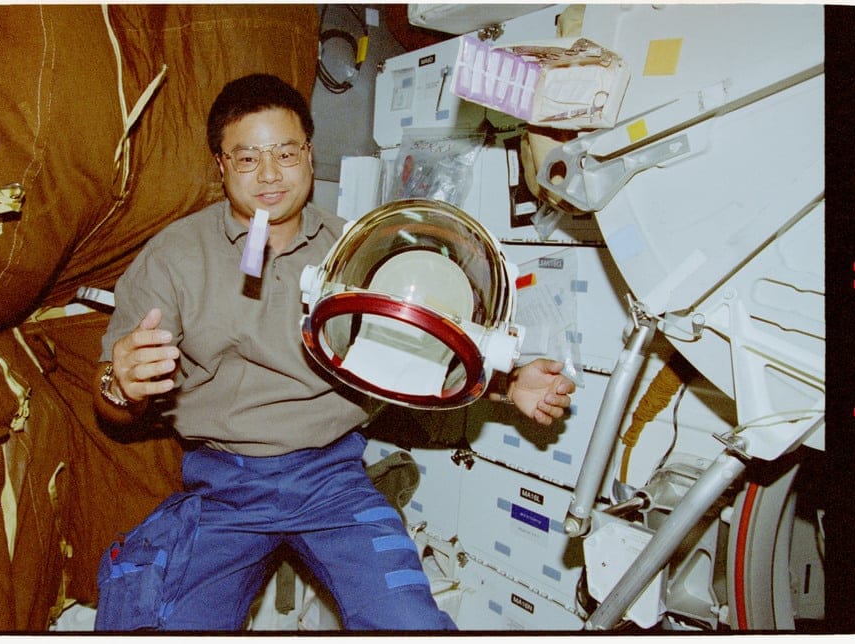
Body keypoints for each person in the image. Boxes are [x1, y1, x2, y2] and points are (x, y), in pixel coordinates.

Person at [93, 73, 575, 631]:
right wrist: (119, 383)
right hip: (224, 485)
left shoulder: (362, 252)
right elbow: (111, 408)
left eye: (285, 152)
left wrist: (507, 384)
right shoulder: (174, 257)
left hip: (332, 478)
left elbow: (418, 352)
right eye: (247, 158)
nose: (270, 174)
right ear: (220, 165)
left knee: (409, 625)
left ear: (309, 152)